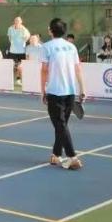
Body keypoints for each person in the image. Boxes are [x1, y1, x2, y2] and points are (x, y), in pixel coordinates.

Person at [40, 18, 86, 170]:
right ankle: (56, 154)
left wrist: (43, 90)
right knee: (62, 125)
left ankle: (73, 157)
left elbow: (44, 70)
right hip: (70, 92)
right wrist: (82, 88)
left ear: (50, 30)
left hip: (55, 91)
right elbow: (78, 69)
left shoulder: (46, 47)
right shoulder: (71, 47)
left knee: (60, 125)